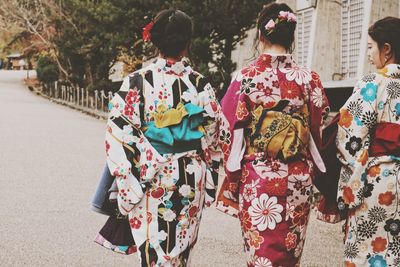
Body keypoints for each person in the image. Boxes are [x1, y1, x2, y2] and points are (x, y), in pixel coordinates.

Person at [94, 9, 227, 266]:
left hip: (149, 176)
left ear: (154, 41)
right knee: (179, 252)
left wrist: (126, 175)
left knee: (154, 252)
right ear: (188, 43)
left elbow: (119, 132)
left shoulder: (136, 82)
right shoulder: (200, 84)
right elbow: (218, 134)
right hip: (190, 175)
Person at [216, 3, 330, 267]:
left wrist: (233, 174)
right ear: (292, 37)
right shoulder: (309, 79)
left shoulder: (244, 77)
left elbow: (227, 129)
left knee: (260, 257)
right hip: (298, 178)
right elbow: (319, 129)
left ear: (260, 35)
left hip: (258, 178)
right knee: (290, 256)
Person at [336, 17, 400, 266]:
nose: (368, 55)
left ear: (387, 49)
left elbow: (350, 138)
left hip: (377, 180)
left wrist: (352, 186)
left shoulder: (372, 83)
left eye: (371, 47)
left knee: (366, 252)